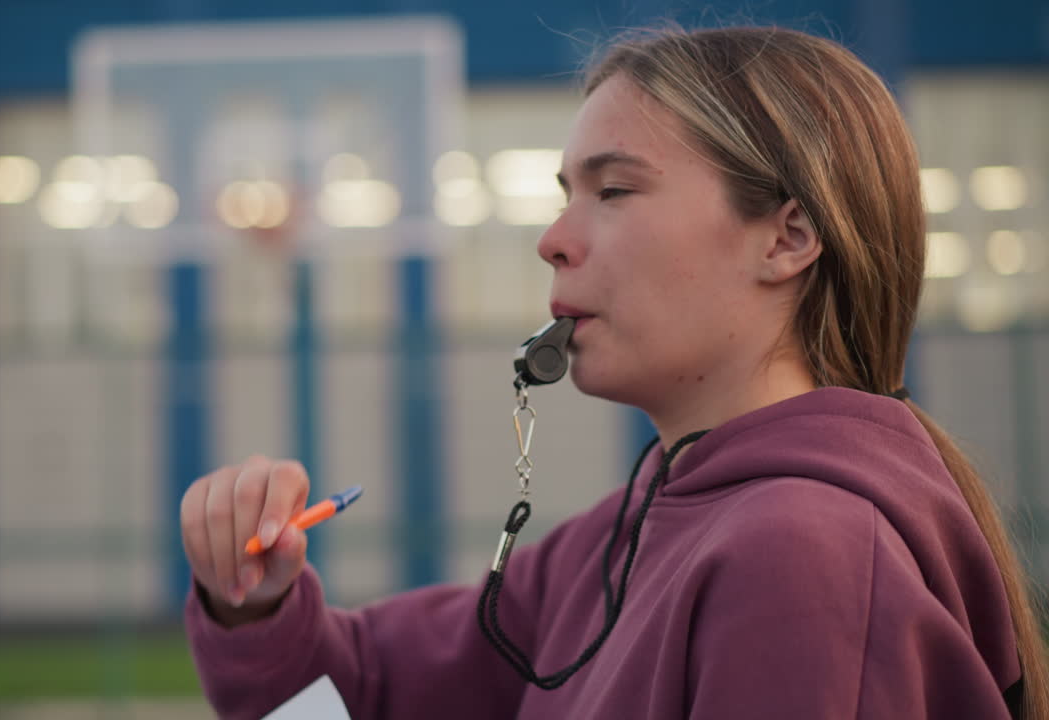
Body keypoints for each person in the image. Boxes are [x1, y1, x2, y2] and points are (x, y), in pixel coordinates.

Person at [179, 26, 1049, 719]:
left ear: (788, 238)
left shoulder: (804, 551)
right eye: (566, 193)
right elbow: (361, 696)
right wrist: (256, 604)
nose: (553, 238)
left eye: (615, 191)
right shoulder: (631, 531)